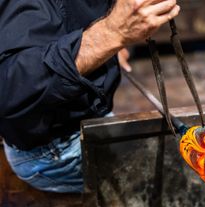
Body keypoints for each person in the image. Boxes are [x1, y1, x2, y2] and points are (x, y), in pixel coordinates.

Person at [0, 0, 180, 193]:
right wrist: (109, 34)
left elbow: (65, 16)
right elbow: (10, 88)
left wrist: (101, 51)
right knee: (176, 179)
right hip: (52, 152)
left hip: (88, 119)